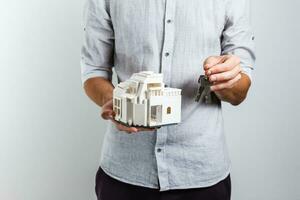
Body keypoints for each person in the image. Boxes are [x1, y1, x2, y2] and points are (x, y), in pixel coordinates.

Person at [81, 0, 255, 199]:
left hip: (201, 173)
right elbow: (94, 69)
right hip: (126, 172)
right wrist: (116, 101)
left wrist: (224, 78)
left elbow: (240, 89)